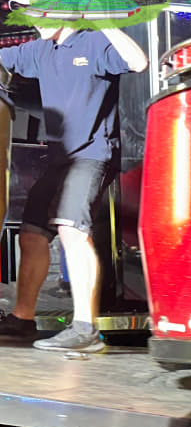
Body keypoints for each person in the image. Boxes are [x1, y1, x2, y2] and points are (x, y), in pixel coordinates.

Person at [0, 25, 147, 352]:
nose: (36, 20)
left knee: (71, 229)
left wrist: (105, 22)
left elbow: (138, 63)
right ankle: (22, 320)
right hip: (59, 159)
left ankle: (85, 329)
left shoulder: (94, 42)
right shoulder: (39, 50)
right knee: (32, 233)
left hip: (92, 155)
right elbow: (3, 60)